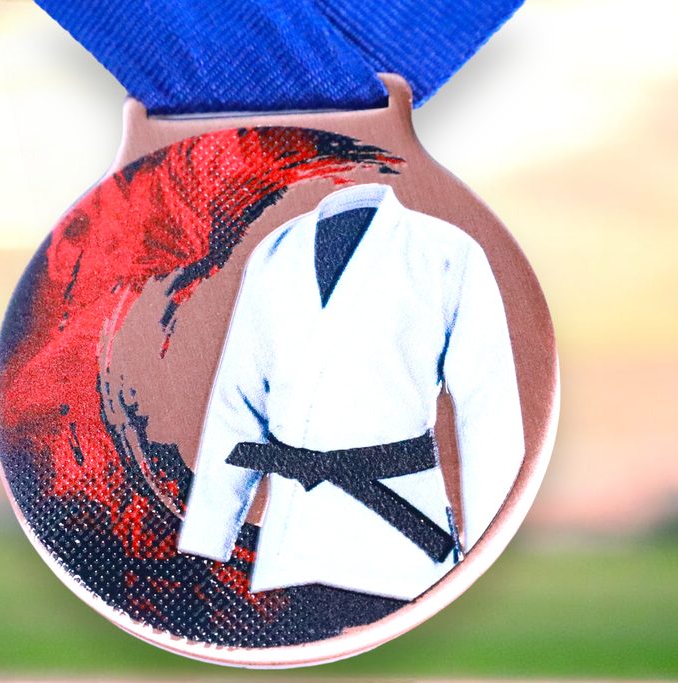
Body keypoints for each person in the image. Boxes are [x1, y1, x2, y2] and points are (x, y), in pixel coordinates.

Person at [177, 183, 524, 601]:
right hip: (289, 553)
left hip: (400, 548)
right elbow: (238, 404)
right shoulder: (276, 253)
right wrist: (206, 544)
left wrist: (489, 550)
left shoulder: (445, 252)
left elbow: (488, 411)